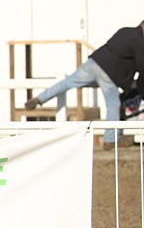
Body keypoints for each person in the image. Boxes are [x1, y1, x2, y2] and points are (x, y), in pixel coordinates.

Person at [26, 20, 144, 148]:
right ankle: (110, 140)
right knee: (113, 105)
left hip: (94, 62)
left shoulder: (125, 30)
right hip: (108, 73)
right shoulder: (139, 41)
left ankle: (39, 98)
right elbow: (141, 65)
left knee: (67, 83)